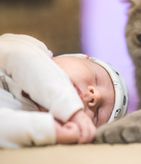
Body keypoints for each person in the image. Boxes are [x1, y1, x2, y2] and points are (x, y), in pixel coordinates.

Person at [0, 33, 128, 148]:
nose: (95, 97)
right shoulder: (34, 49)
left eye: (97, 116)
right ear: (79, 58)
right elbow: (23, 59)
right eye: (97, 79)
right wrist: (73, 111)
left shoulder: (26, 116)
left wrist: (51, 131)